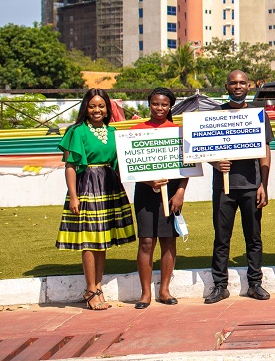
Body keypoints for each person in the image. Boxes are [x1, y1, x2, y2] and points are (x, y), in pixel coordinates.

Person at [55, 89, 136, 310]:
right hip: (87, 187)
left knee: (102, 240)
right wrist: (73, 196)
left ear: (108, 108)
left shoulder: (112, 132)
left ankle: (98, 286)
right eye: (92, 106)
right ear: (85, 108)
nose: (97, 110)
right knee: (89, 240)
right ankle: (90, 288)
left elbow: (123, 163)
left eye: (101, 106)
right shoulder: (77, 131)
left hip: (109, 186)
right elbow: (70, 166)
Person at [205, 70, 273, 304]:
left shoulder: (257, 115)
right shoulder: (215, 114)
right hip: (223, 188)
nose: (238, 86)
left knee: (253, 238)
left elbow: (265, 151)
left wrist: (263, 184)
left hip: (251, 187)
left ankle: (255, 284)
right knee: (221, 238)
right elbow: (201, 149)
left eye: (242, 82)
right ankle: (219, 286)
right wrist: (215, 162)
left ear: (249, 86)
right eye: (233, 83)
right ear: (226, 86)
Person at [131, 88, 188, 309]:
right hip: (145, 192)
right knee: (146, 241)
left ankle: (164, 290)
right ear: (149, 104)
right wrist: (149, 182)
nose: (159, 108)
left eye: (164, 104)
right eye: (155, 104)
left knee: (168, 240)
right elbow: (129, 167)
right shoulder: (136, 131)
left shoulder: (178, 131)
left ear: (170, 106)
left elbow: (188, 168)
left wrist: (180, 192)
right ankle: (145, 293)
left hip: (172, 193)